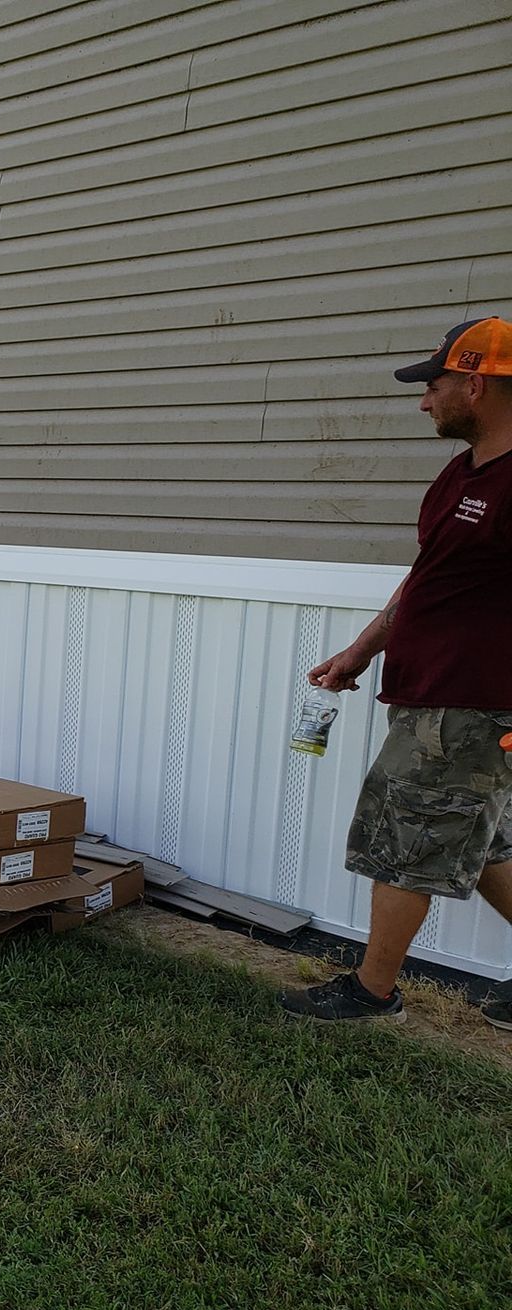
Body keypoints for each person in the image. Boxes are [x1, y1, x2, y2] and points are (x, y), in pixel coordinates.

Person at [281, 316, 512, 1025]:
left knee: (405, 840)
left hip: (472, 704)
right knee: (488, 843)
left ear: (474, 383)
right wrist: (362, 649)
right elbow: (426, 578)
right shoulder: (461, 473)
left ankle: (374, 992)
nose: (424, 401)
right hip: (433, 693)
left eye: (433, 384)